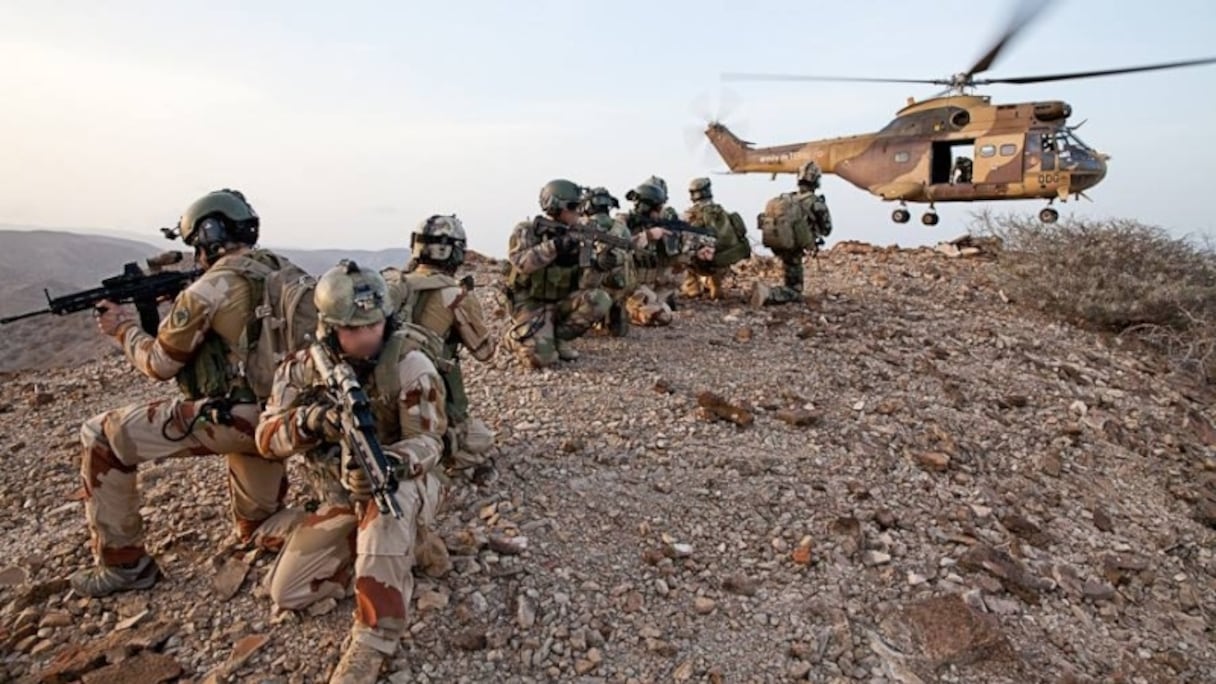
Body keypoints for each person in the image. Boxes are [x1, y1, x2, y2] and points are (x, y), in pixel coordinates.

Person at [73, 188, 298, 597]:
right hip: (286, 419)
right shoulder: (284, 270)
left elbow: (160, 364)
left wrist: (122, 329)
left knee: (101, 435)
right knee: (256, 530)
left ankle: (124, 567)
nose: (196, 255)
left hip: (241, 421)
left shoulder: (206, 290)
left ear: (209, 235)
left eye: (197, 244)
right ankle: (344, 525)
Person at [256, 260, 447, 684]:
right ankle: (392, 551)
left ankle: (373, 641)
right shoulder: (300, 369)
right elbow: (265, 439)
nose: (366, 338)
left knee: (390, 504)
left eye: (374, 325)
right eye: (353, 329)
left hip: (406, 482)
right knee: (287, 592)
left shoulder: (410, 363)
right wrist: (309, 423)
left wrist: (390, 463)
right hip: (340, 496)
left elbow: (431, 443)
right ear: (327, 327)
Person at [382, 214, 495, 482]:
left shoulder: (392, 284)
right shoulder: (453, 294)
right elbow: (485, 353)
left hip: (381, 396)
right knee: (482, 439)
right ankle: (440, 456)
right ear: (453, 251)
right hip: (421, 398)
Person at [502, 179, 613, 368]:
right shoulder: (527, 230)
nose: (578, 211)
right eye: (573, 206)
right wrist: (556, 246)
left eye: (580, 206)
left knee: (600, 299)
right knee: (541, 359)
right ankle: (513, 338)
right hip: (530, 302)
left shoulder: (579, 234)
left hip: (560, 301)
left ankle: (558, 338)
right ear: (554, 206)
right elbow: (521, 263)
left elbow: (587, 285)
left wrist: (598, 266)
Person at [753, 162, 833, 305]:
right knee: (795, 290)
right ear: (816, 180)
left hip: (780, 242)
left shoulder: (788, 198)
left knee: (789, 270)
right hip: (794, 246)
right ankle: (768, 294)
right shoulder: (815, 203)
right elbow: (827, 230)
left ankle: (772, 291)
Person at [680, 177, 750, 300]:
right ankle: (715, 285)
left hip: (703, 264)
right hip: (726, 261)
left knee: (682, 253)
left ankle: (692, 288)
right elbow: (740, 233)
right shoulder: (722, 212)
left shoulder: (690, 214)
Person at [578, 186, 637, 336]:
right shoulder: (621, 228)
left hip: (589, 291)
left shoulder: (580, 226)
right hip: (619, 288)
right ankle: (615, 310)